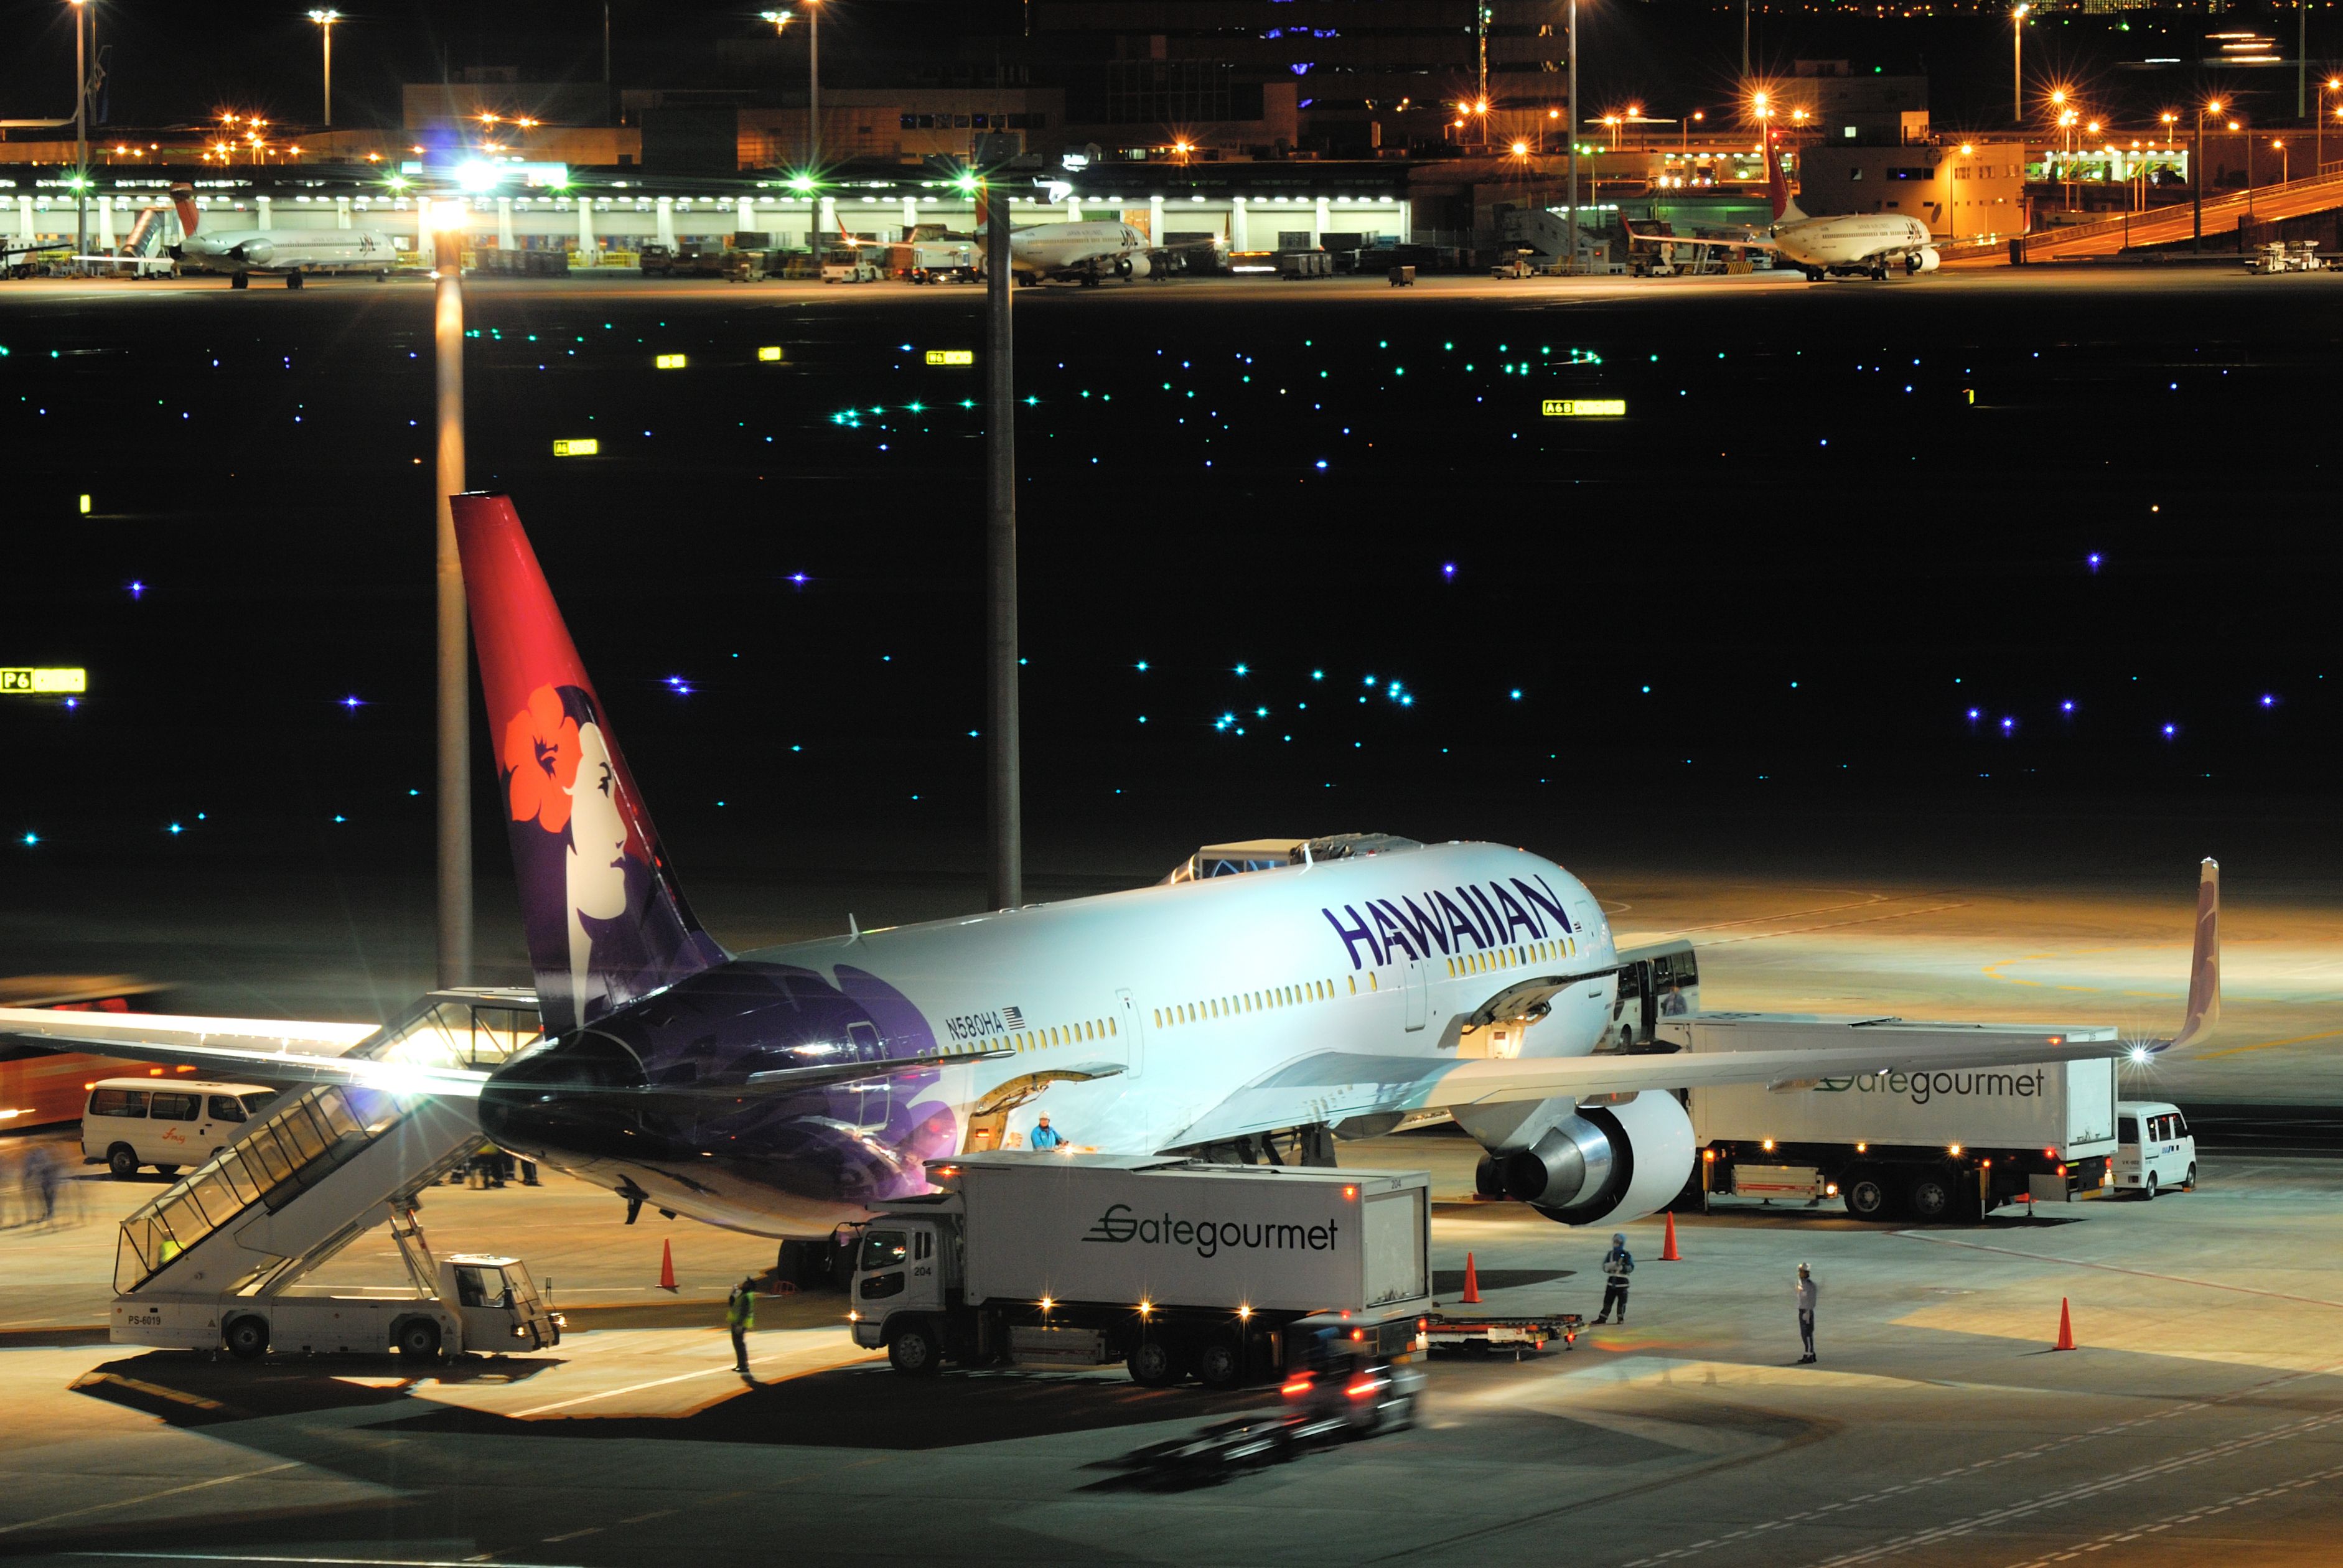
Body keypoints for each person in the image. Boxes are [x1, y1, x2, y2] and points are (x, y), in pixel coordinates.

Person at [1592, 1231, 1634, 1324]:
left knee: (1622, 1302)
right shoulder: (1610, 1254)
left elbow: (1631, 1267)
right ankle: (1603, 1318)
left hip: (1622, 1283)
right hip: (1612, 1282)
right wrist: (1609, 1267)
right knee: (1607, 1301)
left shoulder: (1626, 1255)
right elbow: (1604, 1267)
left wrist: (1623, 1268)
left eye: (1618, 1242)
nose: (1616, 1244)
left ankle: (1620, 1318)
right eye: (1615, 1241)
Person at [726, 1276, 757, 1374]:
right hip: (737, 1322)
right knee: (739, 1344)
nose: (743, 1284)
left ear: (749, 1286)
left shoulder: (747, 1296)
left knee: (739, 1345)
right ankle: (741, 1364)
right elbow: (733, 1305)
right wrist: (733, 1294)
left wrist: (739, 1325)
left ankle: (743, 1365)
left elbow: (744, 1311)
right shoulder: (744, 1294)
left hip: (740, 1323)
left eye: (746, 1283)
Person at [1795, 1262, 1818, 1363]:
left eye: (1801, 1272)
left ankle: (1809, 1355)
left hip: (1806, 1311)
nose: (1800, 1273)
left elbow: (1811, 1300)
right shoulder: (1802, 1284)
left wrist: (1808, 1311)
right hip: (1803, 1310)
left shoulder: (1809, 1285)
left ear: (1806, 1273)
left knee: (1807, 1333)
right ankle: (1809, 1353)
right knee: (1804, 1334)